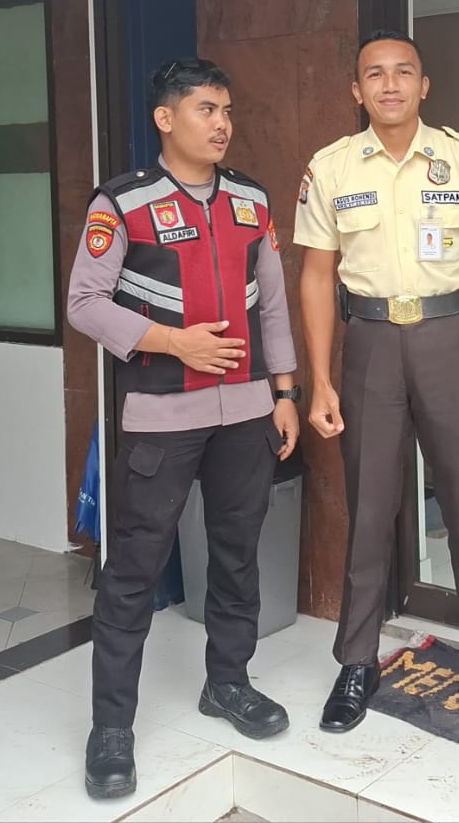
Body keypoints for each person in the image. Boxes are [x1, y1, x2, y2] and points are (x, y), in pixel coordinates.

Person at [67, 57, 300, 801]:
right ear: (165, 119)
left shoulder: (251, 199)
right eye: (206, 109)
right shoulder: (122, 203)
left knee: (237, 556)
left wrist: (284, 391)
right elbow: (84, 303)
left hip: (247, 415)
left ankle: (227, 683)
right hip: (161, 418)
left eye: (226, 110)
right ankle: (112, 729)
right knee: (133, 571)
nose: (222, 123)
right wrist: (176, 343)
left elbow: (273, 305)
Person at [294, 29, 459, 734]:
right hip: (369, 344)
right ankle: (358, 661)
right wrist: (320, 380)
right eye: (375, 74)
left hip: (449, 340)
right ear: (356, 91)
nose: (389, 85)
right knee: (368, 507)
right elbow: (316, 277)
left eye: (403, 73)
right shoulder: (330, 167)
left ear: (424, 86)